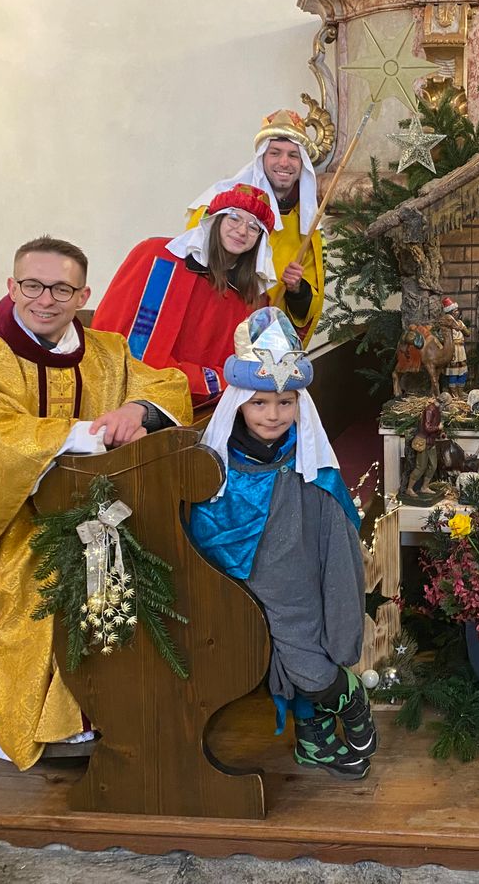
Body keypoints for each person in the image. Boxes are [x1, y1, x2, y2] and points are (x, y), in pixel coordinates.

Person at [0, 237, 193, 770]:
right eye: (32, 285)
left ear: (83, 294)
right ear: (11, 286)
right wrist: (87, 434)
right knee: (39, 571)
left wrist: (139, 410)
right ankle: (26, 723)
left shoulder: (105, 351)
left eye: (61, 288)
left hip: (81, 505)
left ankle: (115, 705)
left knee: (150, 551)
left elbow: (166, 383)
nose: (44, 299)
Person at [186, 307, 375, 780]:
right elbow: (206, 524)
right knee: (275, 660)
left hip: (300, 584)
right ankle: (315, 740)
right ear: (239, 405)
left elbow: (334, 531)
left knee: (308, 660)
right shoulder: (217, 468)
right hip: (239, 590)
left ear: (299, 406)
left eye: (286, 402)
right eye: (259, 403)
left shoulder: (309, 462)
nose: (273, 415)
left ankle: (346, 693)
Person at [93, 184, 276, 403]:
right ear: (215, 220)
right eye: (234, 218)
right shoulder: (157, 258)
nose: (242, 231)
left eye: (254, 227)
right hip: (129, 395)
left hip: (205, 407)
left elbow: (249, 367)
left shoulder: (254, 299)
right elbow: (122, 344)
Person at [189, 109, 327, 345]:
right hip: (212, 331)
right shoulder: (220, 206)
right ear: (262, 157)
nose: (284, 162)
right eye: (275, 153)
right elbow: (192, 265)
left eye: (293, 155)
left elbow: (308, 307)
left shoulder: (308, 225)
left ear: (302, 162)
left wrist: (297, 289)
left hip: (264, 341)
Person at [441, 297, 470, 394]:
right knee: (453, 372)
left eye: (457, 310)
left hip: (461, 350)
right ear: (451, 312)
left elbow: (468, 333)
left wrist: (462, 328)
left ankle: (460, 392)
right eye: (456, 310)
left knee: (462, 372)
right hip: (452, 349)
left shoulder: (460, 323)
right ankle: (454, 394)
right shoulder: (446, 324)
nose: (457, 312)